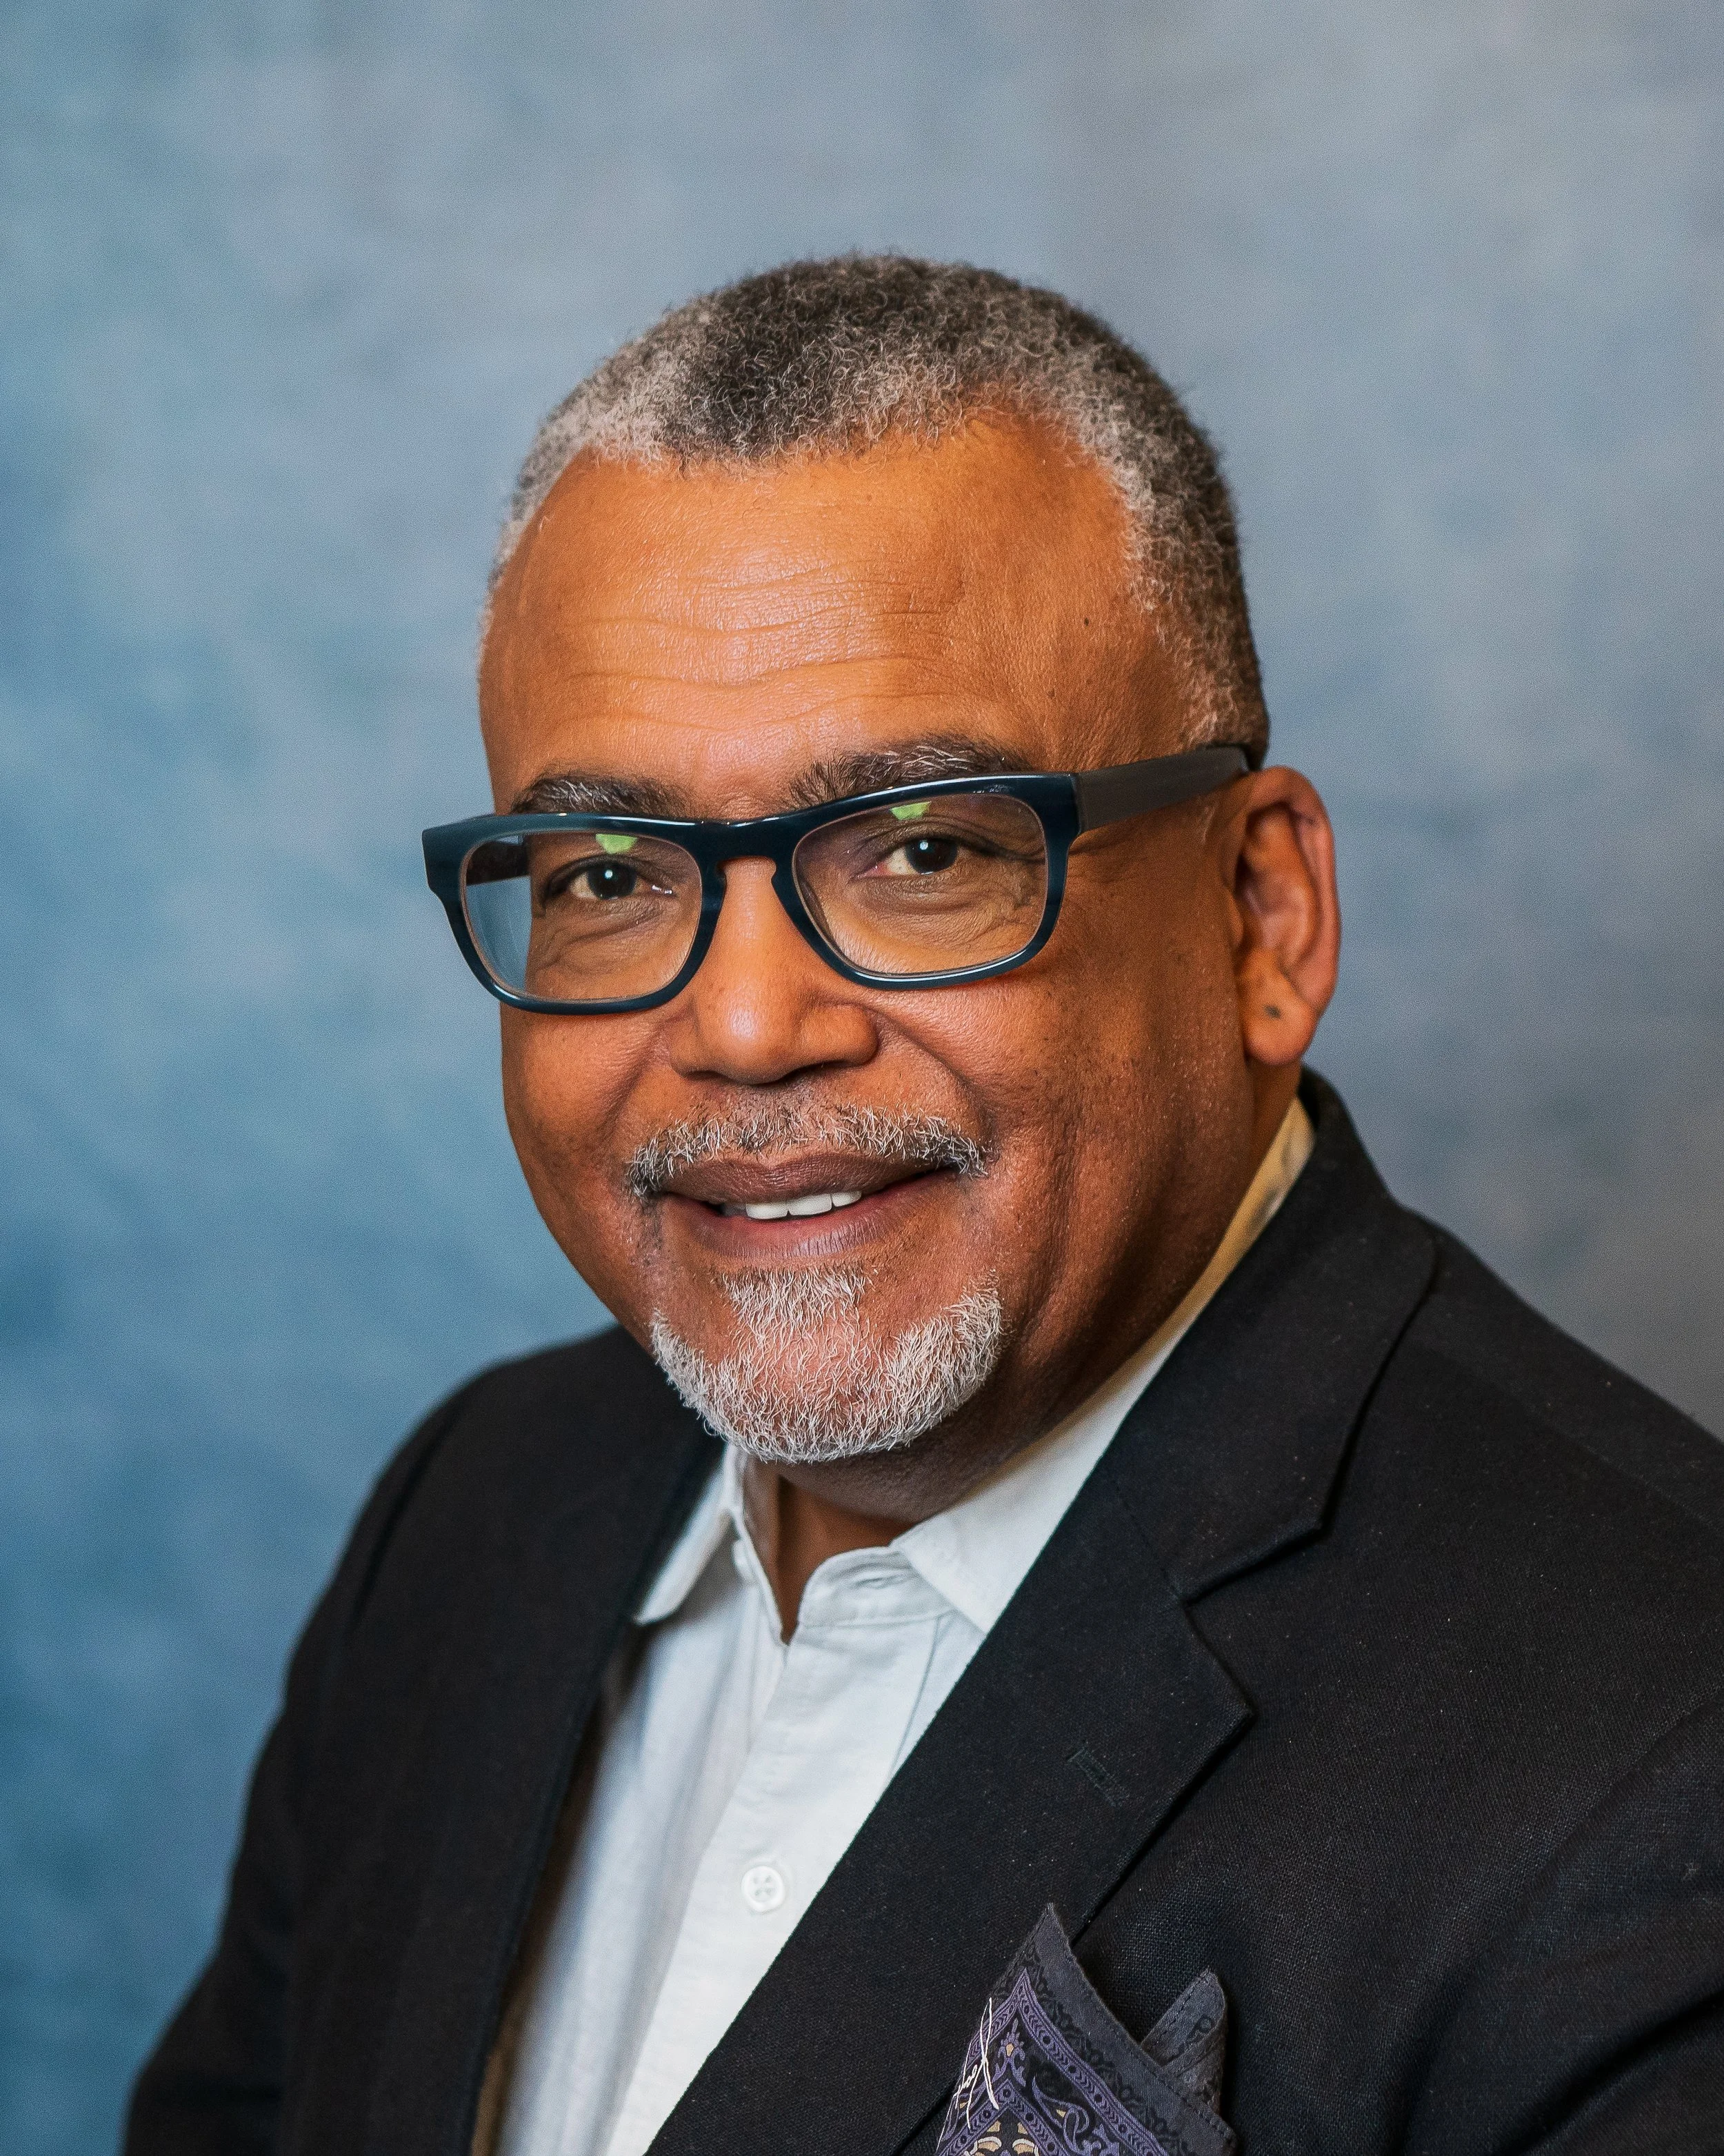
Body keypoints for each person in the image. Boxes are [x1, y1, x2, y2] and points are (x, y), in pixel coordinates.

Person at [126, 257, 1724, 2156]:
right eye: (613, 871)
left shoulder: (1654, 1766)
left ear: (1258, 919)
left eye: (921, 849)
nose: (738, 1025)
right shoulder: (476, 1518)